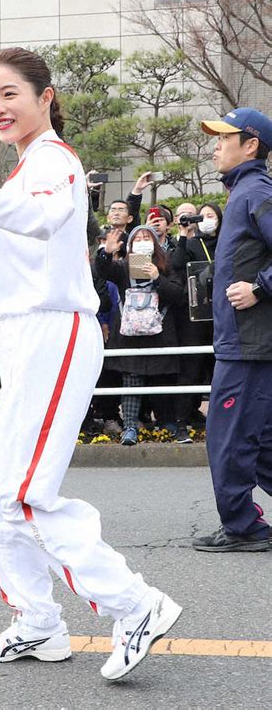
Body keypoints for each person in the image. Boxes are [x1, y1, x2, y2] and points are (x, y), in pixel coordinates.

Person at [0, 47, 182, 681]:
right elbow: (22, 224)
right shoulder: (22, 170)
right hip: (23, 335)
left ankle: (135, 603)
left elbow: (44, 219)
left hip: (55, 332)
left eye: (9, 93)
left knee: (27, 494)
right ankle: (38, 622)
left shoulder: (54, 160)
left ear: (45, 97)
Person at [192, 107, 272, 552]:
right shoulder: (243, 192)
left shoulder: (254, 190)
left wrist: (260, 288)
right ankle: (244, 524)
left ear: (251, 144)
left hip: (247, 345)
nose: (216, 145)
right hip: (247, 342)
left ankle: (244, 527)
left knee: (228, 439)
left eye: (224, 137)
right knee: (260, 443)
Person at [96, 225, 183, 445]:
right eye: (138, 239)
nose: (143, 242)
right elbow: (103, 271)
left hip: (160, 333)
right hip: (129, 335)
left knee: (162, 382)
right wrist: (106, 253)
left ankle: (167, 424)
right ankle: (130, 427)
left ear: (155, 244)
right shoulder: (123, 267)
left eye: (147, 238)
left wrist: (157, 277)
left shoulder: (166, 265)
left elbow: (176, 294)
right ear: (131, 245)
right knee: (131, 380)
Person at [171, 202, 223, 442]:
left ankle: (223, 421)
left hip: (224, 315)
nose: (207, 219)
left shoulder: (228, 242)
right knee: (190, 368)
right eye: (203, 216)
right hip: (195, 317)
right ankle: (181, 422)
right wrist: (183, 234)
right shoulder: (192, 243)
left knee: (221, 371)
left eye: (212, 215)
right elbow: (177, 265)